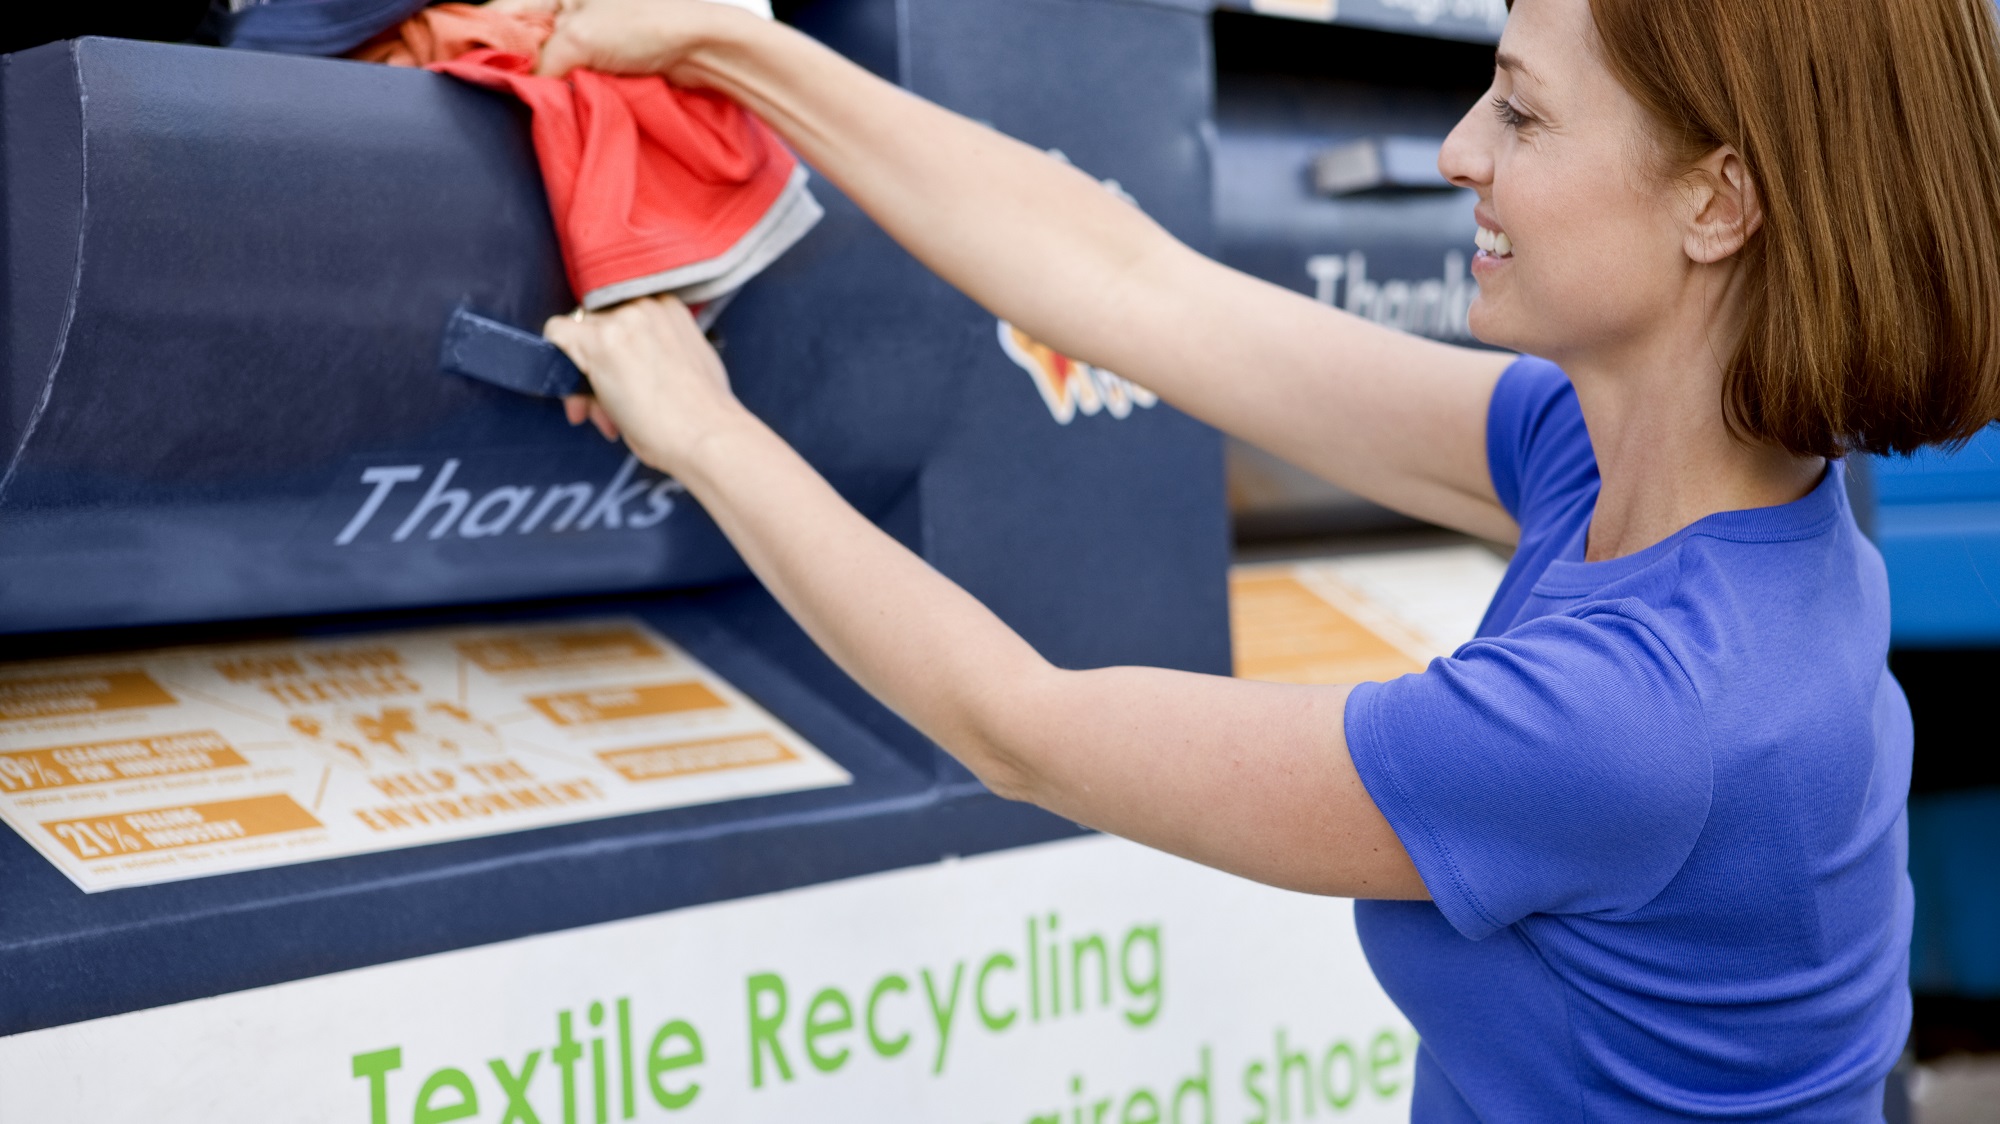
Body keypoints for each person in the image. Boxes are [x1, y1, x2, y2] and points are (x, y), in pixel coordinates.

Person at [534, 0, 2000, 1116]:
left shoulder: (1642, 716)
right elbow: (1134, 289)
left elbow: (1020, 727)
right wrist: (739, 50)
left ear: (1717, 203)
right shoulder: (1649, 471)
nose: (1457, 152)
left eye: (1524, 116)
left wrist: (705, 432)